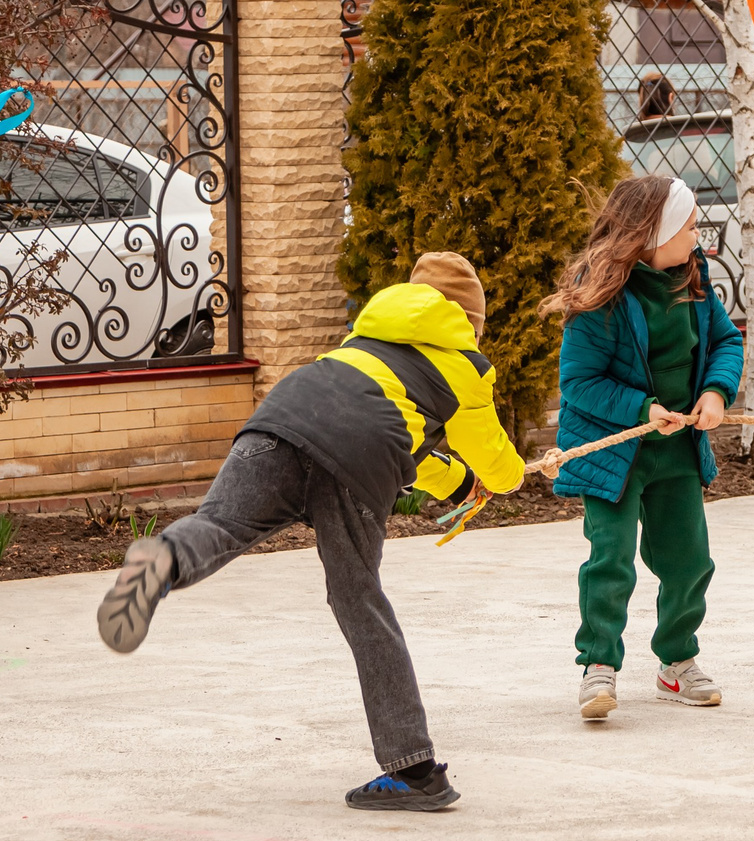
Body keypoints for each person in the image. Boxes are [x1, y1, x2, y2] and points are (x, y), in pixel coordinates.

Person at [94, 251, 524, 811]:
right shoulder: (467, 366)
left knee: (218, 523)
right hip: (358, 454)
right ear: (471, 321)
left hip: (286, 415)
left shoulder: (365, 338)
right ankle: (414, 772)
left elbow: (397, 432)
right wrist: (502, 478)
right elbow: (495, 465)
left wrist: (455, 483)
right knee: (359, 600)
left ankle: (164, 559)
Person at [548, 176, 744, 720]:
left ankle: (676, 663)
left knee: (689, 561)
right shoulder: (602, 294)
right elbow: (579, 383)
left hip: (677, 448)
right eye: (689, 226)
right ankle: (599, 667)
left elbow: (726, 341)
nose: (697, 236)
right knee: (611, 562)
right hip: (615, 453)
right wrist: (641, 409)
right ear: (651, 236)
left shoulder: (693, 277)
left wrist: (714, 391)